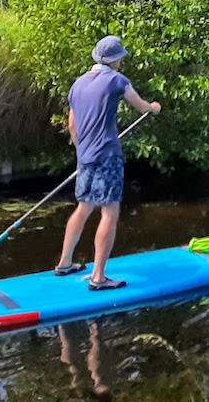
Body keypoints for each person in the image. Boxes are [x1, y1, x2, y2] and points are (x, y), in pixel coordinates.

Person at [55, 35, 161, 291]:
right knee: (109, 213)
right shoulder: (117, 80)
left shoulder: (77, 84)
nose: (121, 62)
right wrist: (154, 107)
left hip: (86, 157)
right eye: (120, 58)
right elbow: (141, 106)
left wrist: (82, 153)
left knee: (83, 208)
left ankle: (65, 263)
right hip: (107, 156)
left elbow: (72, 124)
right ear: (115, 60)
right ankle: (98, 277)